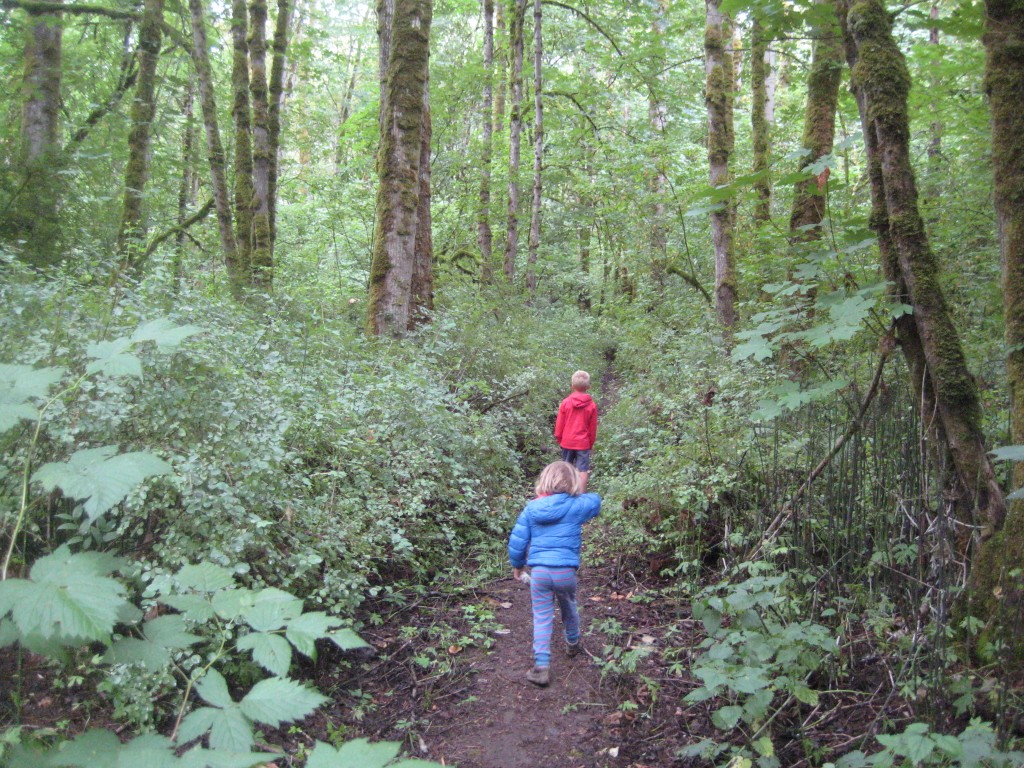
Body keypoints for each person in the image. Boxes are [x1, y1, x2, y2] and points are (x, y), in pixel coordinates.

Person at [508, 461, 601, 687]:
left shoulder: (531, 508)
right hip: (565, 572)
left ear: (544, 482)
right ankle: (573, 642)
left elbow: (518, 540)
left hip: (539, 572)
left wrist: (518, 566)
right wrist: (577, 491)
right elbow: (596, 501)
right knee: (569, 606)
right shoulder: (576, 506)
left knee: (541, 616)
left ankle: (541, 667)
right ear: (572, 483)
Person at [554, 370, 598, 492]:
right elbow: (592, 427)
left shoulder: (566, 402)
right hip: (583, 443)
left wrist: (559, 438)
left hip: (567, 441)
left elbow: (559, 424)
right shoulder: (592, 405)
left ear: (572, 386)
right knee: (582, 470)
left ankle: (565, 492)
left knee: (566, 468)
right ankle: (581, 494)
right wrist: (590, 443)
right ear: (588, 387)